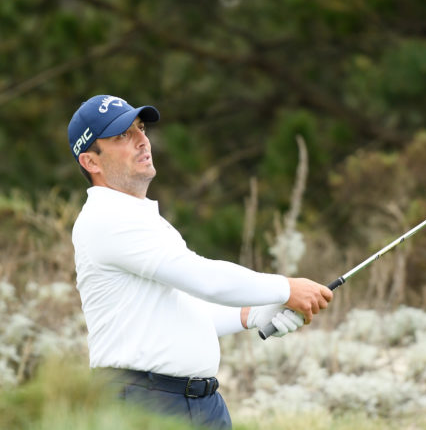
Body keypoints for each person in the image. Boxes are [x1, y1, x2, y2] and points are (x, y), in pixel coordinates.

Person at [67, 95, 333, 429]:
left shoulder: (140, 216)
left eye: (140, 128)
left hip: (197, 403)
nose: (141, 140)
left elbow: (178, 309)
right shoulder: (106, 218)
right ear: (91, 161)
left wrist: (253, 313)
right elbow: (202, 277)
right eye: (122, 136)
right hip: (143, 403)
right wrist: (285, 288)